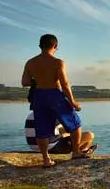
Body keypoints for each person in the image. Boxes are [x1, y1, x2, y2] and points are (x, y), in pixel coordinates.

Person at [21, 34, 93, 167]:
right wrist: (73, 102)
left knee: (41, 130)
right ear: (55, 46)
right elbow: (65, 84)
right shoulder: (58, 62)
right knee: (75, 123)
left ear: (40, 46)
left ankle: (46, 159)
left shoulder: (30, 63)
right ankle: (76, 152)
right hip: (54, 94)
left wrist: (37, 79)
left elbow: (24, 82)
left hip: (39, 96)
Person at [24, 112, 96, 155]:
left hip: (34, 148)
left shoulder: (31, 115)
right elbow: (66, 134)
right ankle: (80, 152)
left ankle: (82, 151)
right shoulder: (54, 115)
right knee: (89, 135)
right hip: (52, 148)